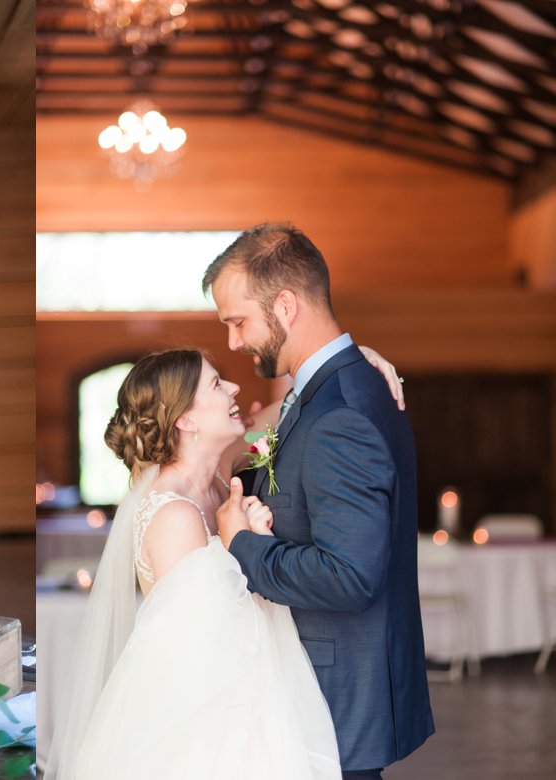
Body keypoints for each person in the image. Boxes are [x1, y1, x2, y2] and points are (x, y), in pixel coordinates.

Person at [46, 348, 343, 779]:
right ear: (187, 420)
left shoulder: (221, 480)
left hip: (250, 702)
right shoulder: (173, 515)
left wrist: (347, 361)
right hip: (204, 731)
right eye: (218, 385)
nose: (236, 388)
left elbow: (283, 411)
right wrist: (248, 541)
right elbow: (204, 650)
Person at [205, 223, 434, 779]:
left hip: (335, 697)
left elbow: (348, 576)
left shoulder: (341, 414)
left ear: (285, 305)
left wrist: (242, 546)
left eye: (239, 322)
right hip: (322, 693)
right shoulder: (337, 390)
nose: (234, 342)